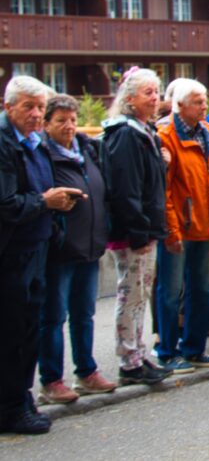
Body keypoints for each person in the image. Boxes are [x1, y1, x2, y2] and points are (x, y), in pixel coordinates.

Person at [0, 76, 82, 435]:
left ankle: (20, 399)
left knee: (28, 328)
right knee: (13, 332)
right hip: (12, 252)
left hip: (37, 245)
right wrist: (45, 201)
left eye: (39, 107)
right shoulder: (5, 144)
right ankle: (11, 407)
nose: (36, 115)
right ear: (8, 107)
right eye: (28, 107)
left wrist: (55, 204)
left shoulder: (33, 142)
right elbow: (6, 204)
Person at [38, 95, 116, 405]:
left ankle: (86, 372)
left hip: (90, 246)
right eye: (61, 121)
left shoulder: (86, 149)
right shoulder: (43, 156)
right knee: (53, 317)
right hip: (61, 250)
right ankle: (51, 380)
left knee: (85, 314)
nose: (69, 126)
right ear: (47, 125)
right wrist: (59, 236)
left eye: (72, 119)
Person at [102, 68, 173, 388]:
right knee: (130, 294)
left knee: (141, 293)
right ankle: (128, 360)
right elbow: (125, 189)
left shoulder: (144, 130)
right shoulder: (126, 134)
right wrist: (139, 231)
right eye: (148, 92)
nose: (155, 98)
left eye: (157, 92)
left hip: (145, 228)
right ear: (129, 99)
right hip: (133, 232)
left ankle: (137, 353)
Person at [155, 80, 209, 373]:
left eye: (204, 100)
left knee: (202, 289)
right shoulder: (166, 136)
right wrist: (171, 230)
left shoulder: (207, 132)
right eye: (198, 102)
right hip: (181, 227)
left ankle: (194, 349)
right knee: (171, 292)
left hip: (207, 225)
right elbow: (166, 192)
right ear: (180, 106)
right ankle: (168, 351)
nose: (204, 106)